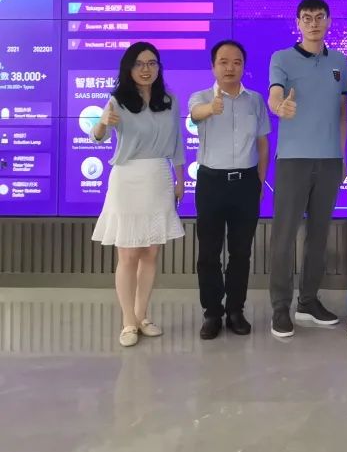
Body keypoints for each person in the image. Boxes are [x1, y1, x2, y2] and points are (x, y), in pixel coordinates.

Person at [90, 42, 186, 347]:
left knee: (150, 252)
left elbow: (177, 143)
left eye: (152, 63)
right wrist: (102, 123)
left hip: (158, 176)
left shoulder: (169, 100)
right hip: (127, 177)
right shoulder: (117, 101)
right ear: (128, 68)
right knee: (128, 253)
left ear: (159, 67)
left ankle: (142, 316)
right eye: (139, 63)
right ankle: (128, 321)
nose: (146, 69)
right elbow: (97, 137)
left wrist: (180, 179)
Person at [266, 0, 347, 338]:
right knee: (284, 236)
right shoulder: (282, 58)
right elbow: (275, 94)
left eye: (319, 17)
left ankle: (308, 301)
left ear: (328, 21)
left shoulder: (339, 61)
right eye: (307, 17)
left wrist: (341, 155)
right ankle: (280, 308)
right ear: (298, 23)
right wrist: (279, 107)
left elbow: (342, 112)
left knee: (318, 235)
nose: (313, 23)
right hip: (293, 160)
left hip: (329, 161)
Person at [189, 40, 270, 340]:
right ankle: (212, 312)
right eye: (223, 62)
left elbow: (263, 143)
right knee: (208, 253)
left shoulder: (255, 100)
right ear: (213, 67)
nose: (230, 68)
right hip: (211, 183)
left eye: (236, 62)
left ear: (243, 67)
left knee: (241, 252)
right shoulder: (200, 97)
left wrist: (260, 181)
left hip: (246, 183)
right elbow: (195, 114)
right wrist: (211, 108)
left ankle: (236, 310)